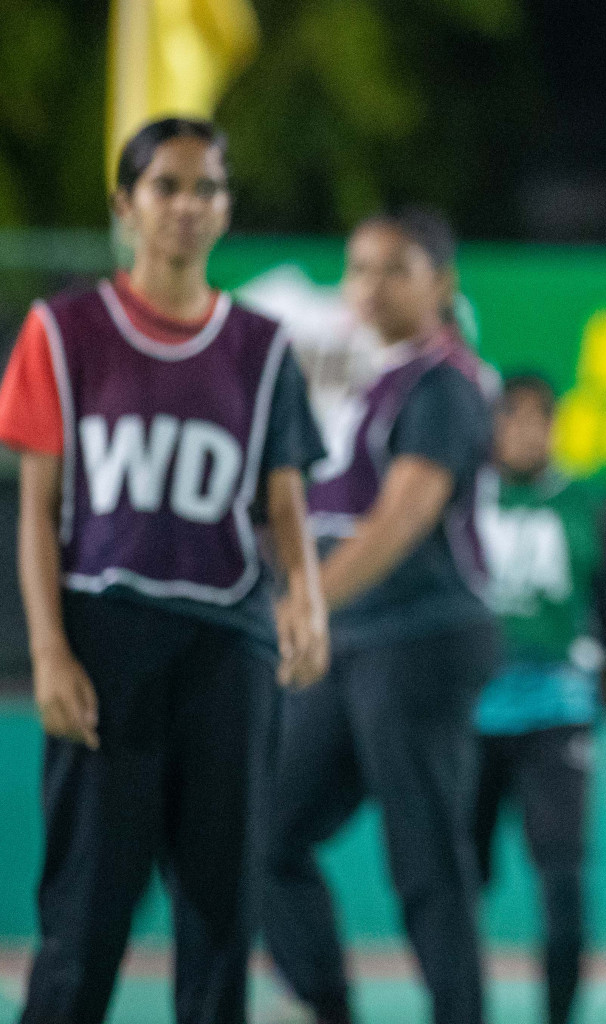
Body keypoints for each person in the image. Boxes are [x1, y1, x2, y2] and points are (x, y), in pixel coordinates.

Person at [0, 116, 329, 1024]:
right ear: (126, 204)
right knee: (83, 918)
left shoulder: (262, 348)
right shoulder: (62, 332)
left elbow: (284, 496)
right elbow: (37, 508)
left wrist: (305, 599)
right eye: (168, 186)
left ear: (226, 208)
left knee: (223, 921)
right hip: (104, 643)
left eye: (208, 189)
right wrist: (49, 650)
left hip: (228, 650)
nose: (188, 206)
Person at [258, 208, 497, 1024]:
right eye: (358, 268)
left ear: (441, 282)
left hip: (423, 636)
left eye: (394, 268)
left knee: (426, 859)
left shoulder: (445, 384)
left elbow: (403, 517)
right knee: (265, 834)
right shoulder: (362, 383)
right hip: (351, 636)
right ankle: (329, 1006)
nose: (370, 285)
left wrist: (303, 600)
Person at [473, 371, 606, 1024]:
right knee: (454, 883)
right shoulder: (458, 497)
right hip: (468, 718)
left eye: (536, 418)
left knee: (563, 882)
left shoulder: (587, 504)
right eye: (510, 418)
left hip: (556, 713)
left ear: (552, 426)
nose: (523, 431)